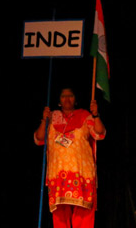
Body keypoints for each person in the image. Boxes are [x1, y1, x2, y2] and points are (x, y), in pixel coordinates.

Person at [34, 88, 106, 228]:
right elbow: (39, 139)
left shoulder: (85, 116)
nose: (67, 99)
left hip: (82, 176)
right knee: (60, 219)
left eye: (71, 96)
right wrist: (44, 119)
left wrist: (96, 115)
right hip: (58, 177)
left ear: (76, 99)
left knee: (83, 217)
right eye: (63, 96)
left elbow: (99, 133)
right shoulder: (52, 116)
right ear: (59, 100)